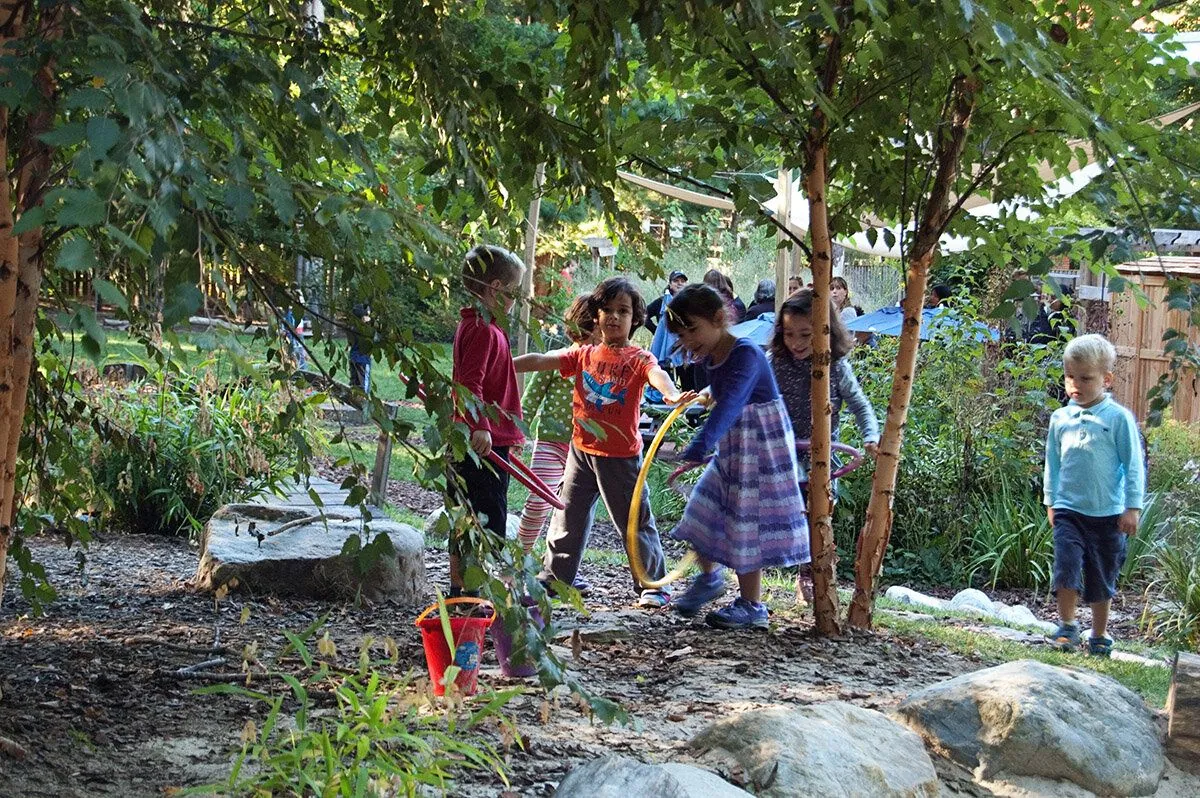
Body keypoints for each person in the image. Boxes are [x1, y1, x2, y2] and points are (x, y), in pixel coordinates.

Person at [514, 277, 684, 608]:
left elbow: (657, 375)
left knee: (633, 519)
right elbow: (541, 359)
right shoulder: (584, 354)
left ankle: (652, 585)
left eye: (623, 311)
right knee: (567, 515)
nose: (614, 317)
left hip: (620, 457)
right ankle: (554, 580)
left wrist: (672, 394)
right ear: (596, 315)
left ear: (635, 318)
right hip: (580, 452)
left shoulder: (638, 357)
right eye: (607, 309)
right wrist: (502, 363)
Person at [664, 284, 810, 629]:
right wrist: (706, 395)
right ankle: (711, 578)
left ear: (718, 319)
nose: (688, 341)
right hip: (735, 447)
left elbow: (734, 400)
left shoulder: (745, 352)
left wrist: (703, 442)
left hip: (761, 449)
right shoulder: (713, 357)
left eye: (692, 330)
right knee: (701, 508)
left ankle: (751, 605)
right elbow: (724, 391)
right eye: (681, 336)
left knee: (748, 523)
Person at [772, 289, 880, 603]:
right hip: (781, 455)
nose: (796, 342)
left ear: (826, 331)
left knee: (816, 514)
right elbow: (749, 389)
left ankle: (811, 573)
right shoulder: (775, 363)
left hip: (820, 459)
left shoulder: (836, 366)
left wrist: (870, 436)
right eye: (789, 334)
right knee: (785, 512)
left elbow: (860, 406)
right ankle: (778, 559)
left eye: (806, 334)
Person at [1044, 334, 1144, 657]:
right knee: (1066, 566)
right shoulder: (1060, 419)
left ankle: (1099, 635)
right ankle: (1067, 626)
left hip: (1108, 515)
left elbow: (1133, 466)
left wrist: (1132, 507)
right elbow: (1053, 463)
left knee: (1102, 575)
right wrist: (1050, 500)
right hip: (1069, 511)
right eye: (1070, 376)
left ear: (1107, 379)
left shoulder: (1117, 419)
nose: (1076, 384)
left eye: (1086, 378)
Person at [448, 244, 526, 597]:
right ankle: (472, 590)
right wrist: (478, 424)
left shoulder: (483, 325)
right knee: (482, 516)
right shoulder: (481, 328)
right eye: (513, 293)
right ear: (495, 288)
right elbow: (469, 381)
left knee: (474, 515)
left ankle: (466, 589)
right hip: (481, 442)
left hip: (489, 438)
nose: (515, 302)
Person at [516, 297, 598, 592]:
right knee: (539, 502)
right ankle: (518, 560)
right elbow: (530, 400)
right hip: (551, 442)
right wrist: (518, 435)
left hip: (583, 450)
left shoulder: (603, 367)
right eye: (594, 330)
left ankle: (558, 569)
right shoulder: (557, 358)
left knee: (569, 513)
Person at [644, 270, 689, 335]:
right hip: (663, 343)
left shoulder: (690, 303)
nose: (680, 283)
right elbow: (643, 314)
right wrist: (656, 331)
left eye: (682, 281)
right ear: (670, 284)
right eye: (676, 281)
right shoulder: (661, 302)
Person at [347, 302, 372, 392]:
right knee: (363, 383)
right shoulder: (365, 329)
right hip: (363, 360)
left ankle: (354, 398)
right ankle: (364, 400)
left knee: (354, 382)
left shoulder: (351, 328)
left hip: (353, 357)